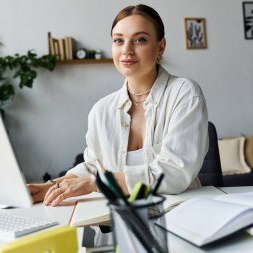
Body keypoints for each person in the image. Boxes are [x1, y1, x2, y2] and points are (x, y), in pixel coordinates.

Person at [28, 4, 208, 207]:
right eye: (118, 41)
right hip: (119, 218)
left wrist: (97, 183)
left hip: (181, 216)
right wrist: (51, 186)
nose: (127, 50)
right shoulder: (101, 110)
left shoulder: (184, 93)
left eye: (140, 40)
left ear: (161, 46)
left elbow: (174, 173)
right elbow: (92, 166)